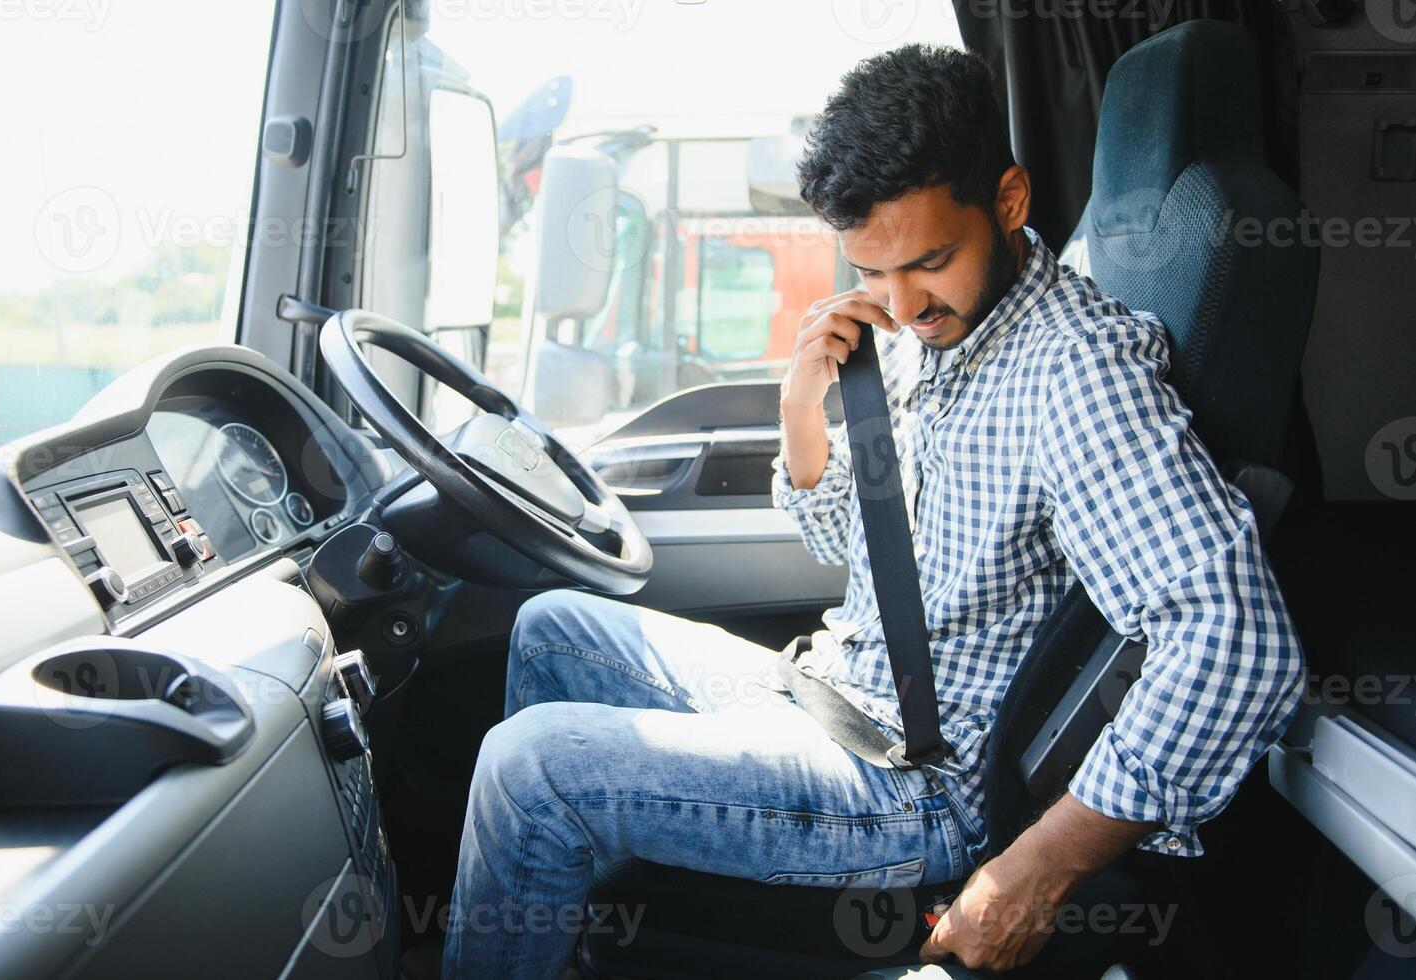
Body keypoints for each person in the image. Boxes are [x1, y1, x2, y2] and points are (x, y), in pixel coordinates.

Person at [440, 43, 1304, 977]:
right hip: (836, 691)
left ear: (1008, 202)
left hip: (911, 783)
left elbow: (1233, 641)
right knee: (549, 627)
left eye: (928, 262)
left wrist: (1034, 871)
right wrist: (800, 413)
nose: (899, 303)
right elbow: (848, 552)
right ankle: (562, 926)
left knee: (532, 769)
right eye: (870, 269)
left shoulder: (1072, 375)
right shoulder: (919, 337)